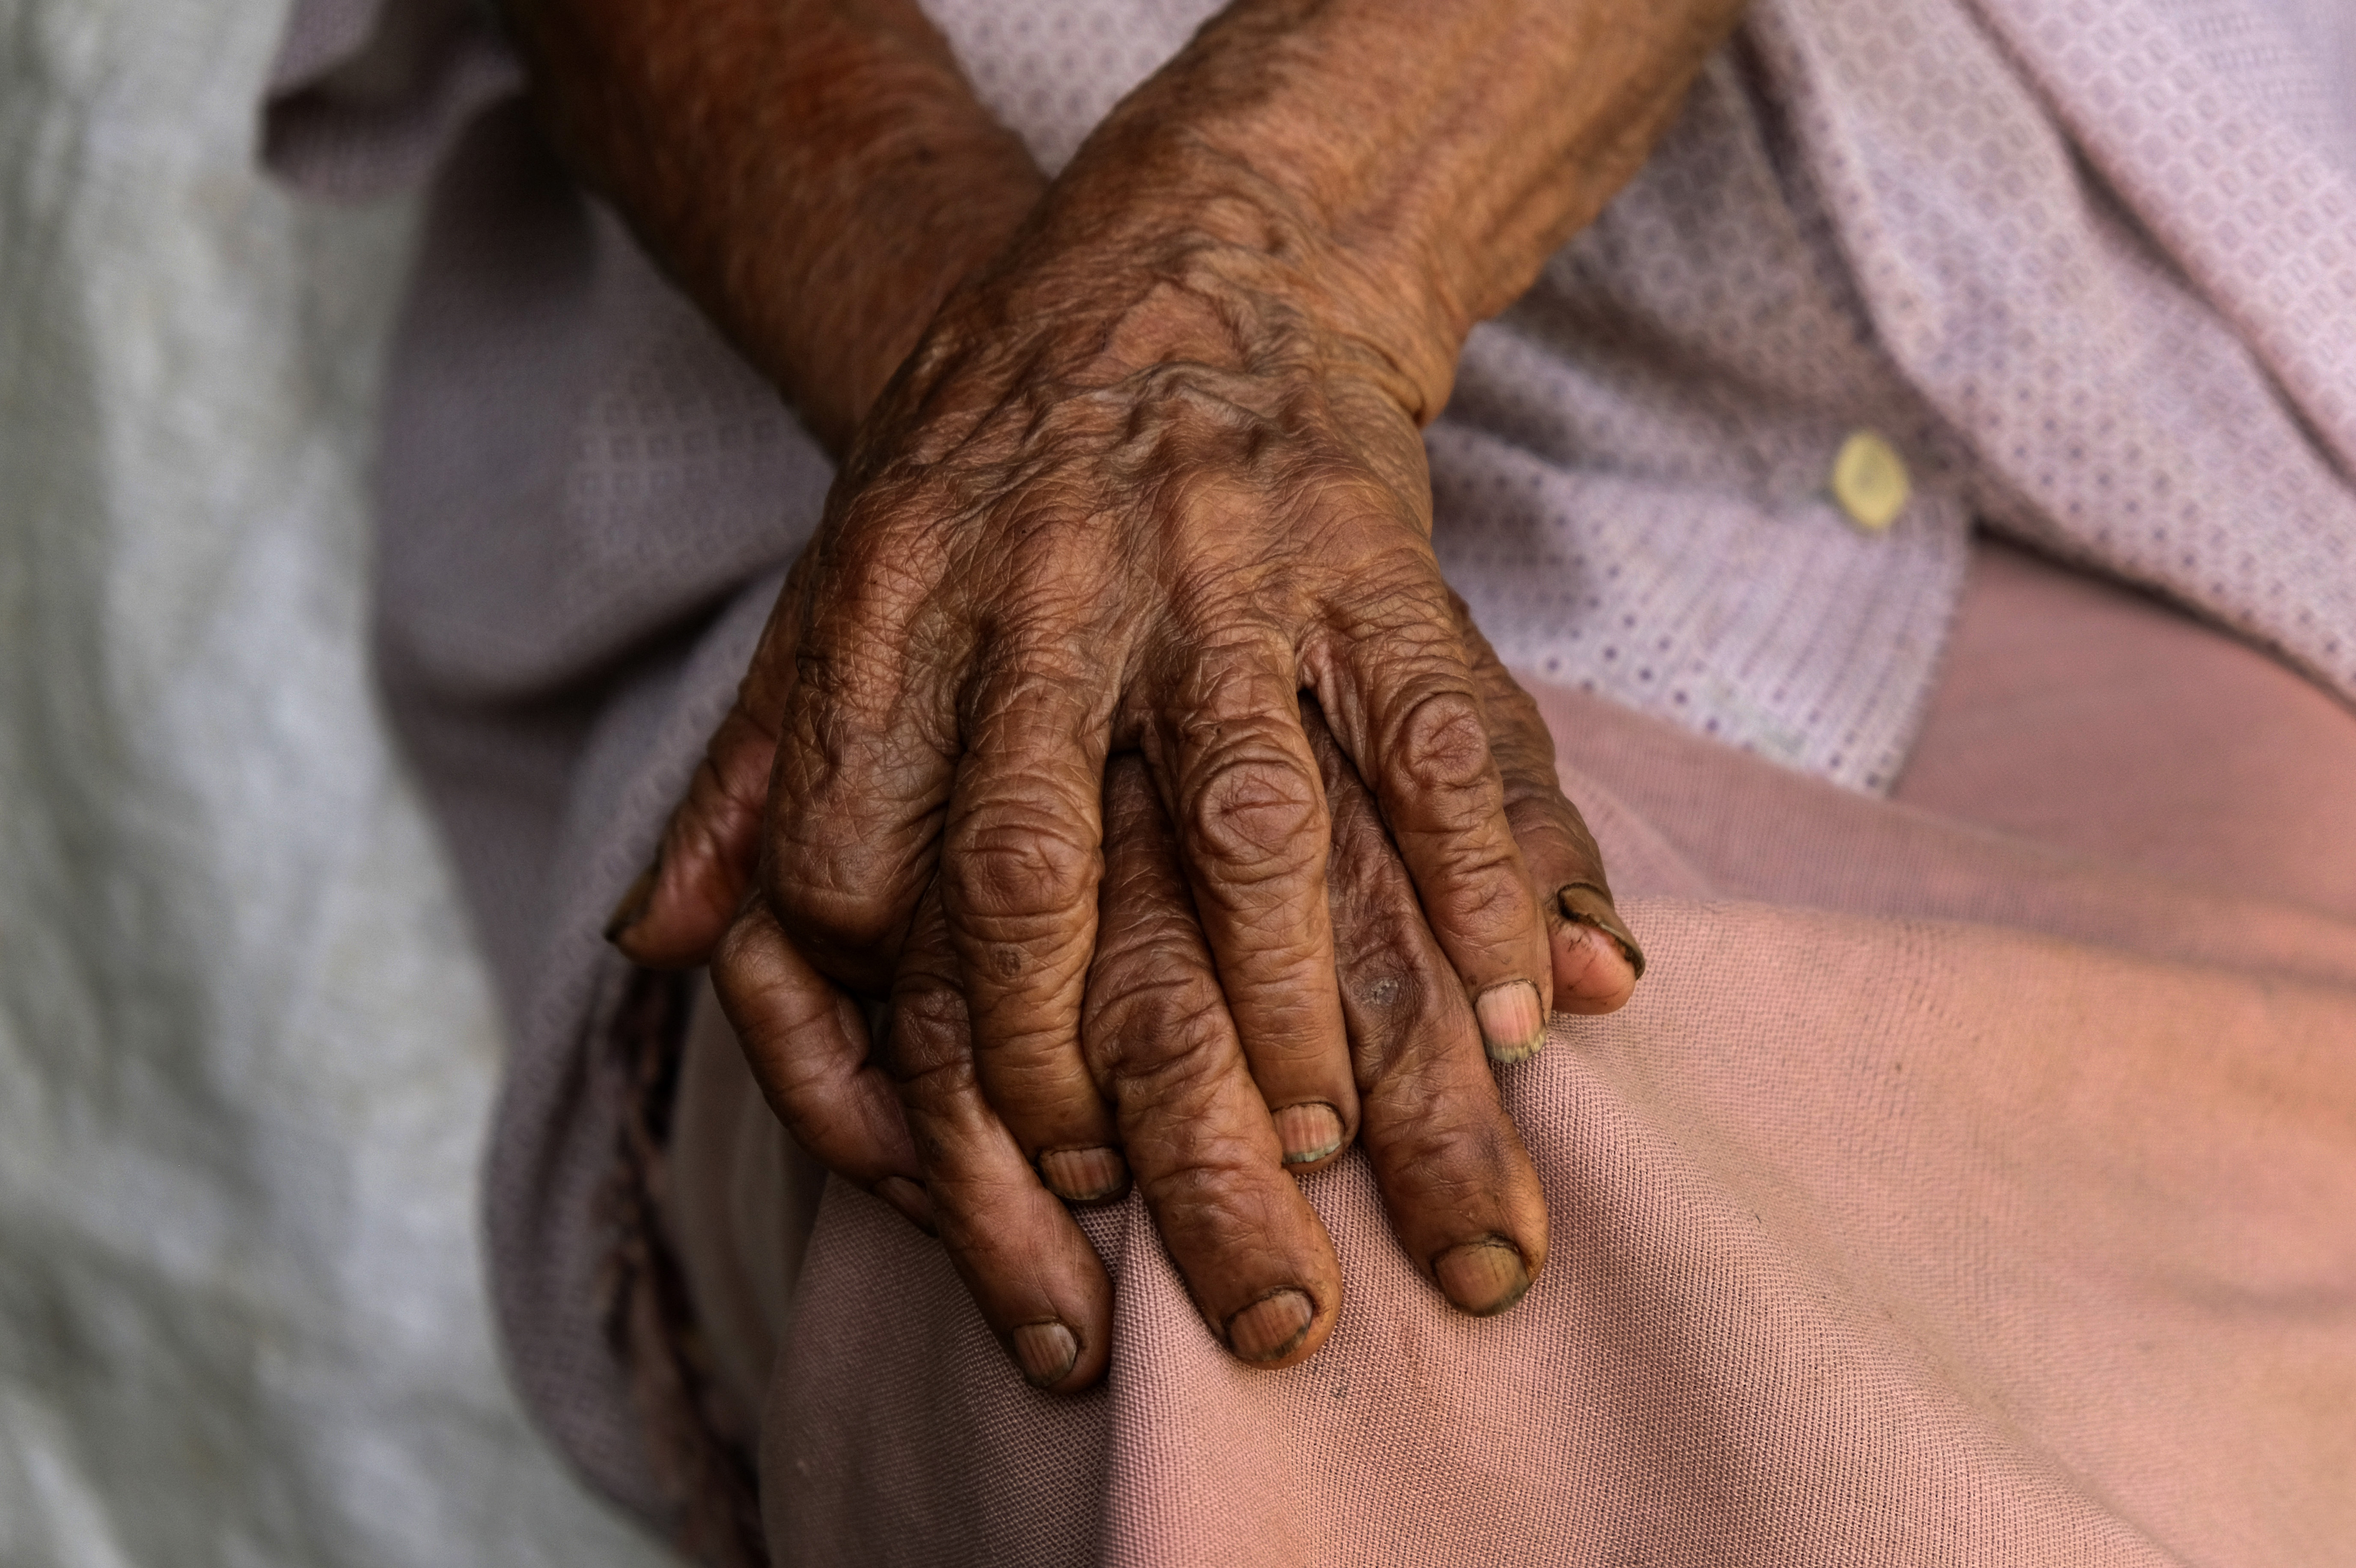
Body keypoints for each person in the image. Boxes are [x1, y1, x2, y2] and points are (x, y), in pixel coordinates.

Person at [265, 0, 2356, 1562]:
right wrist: (1030, 508)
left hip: (2140, 451)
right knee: (1243, 1205)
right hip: (866, 379)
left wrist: (1234, 280)